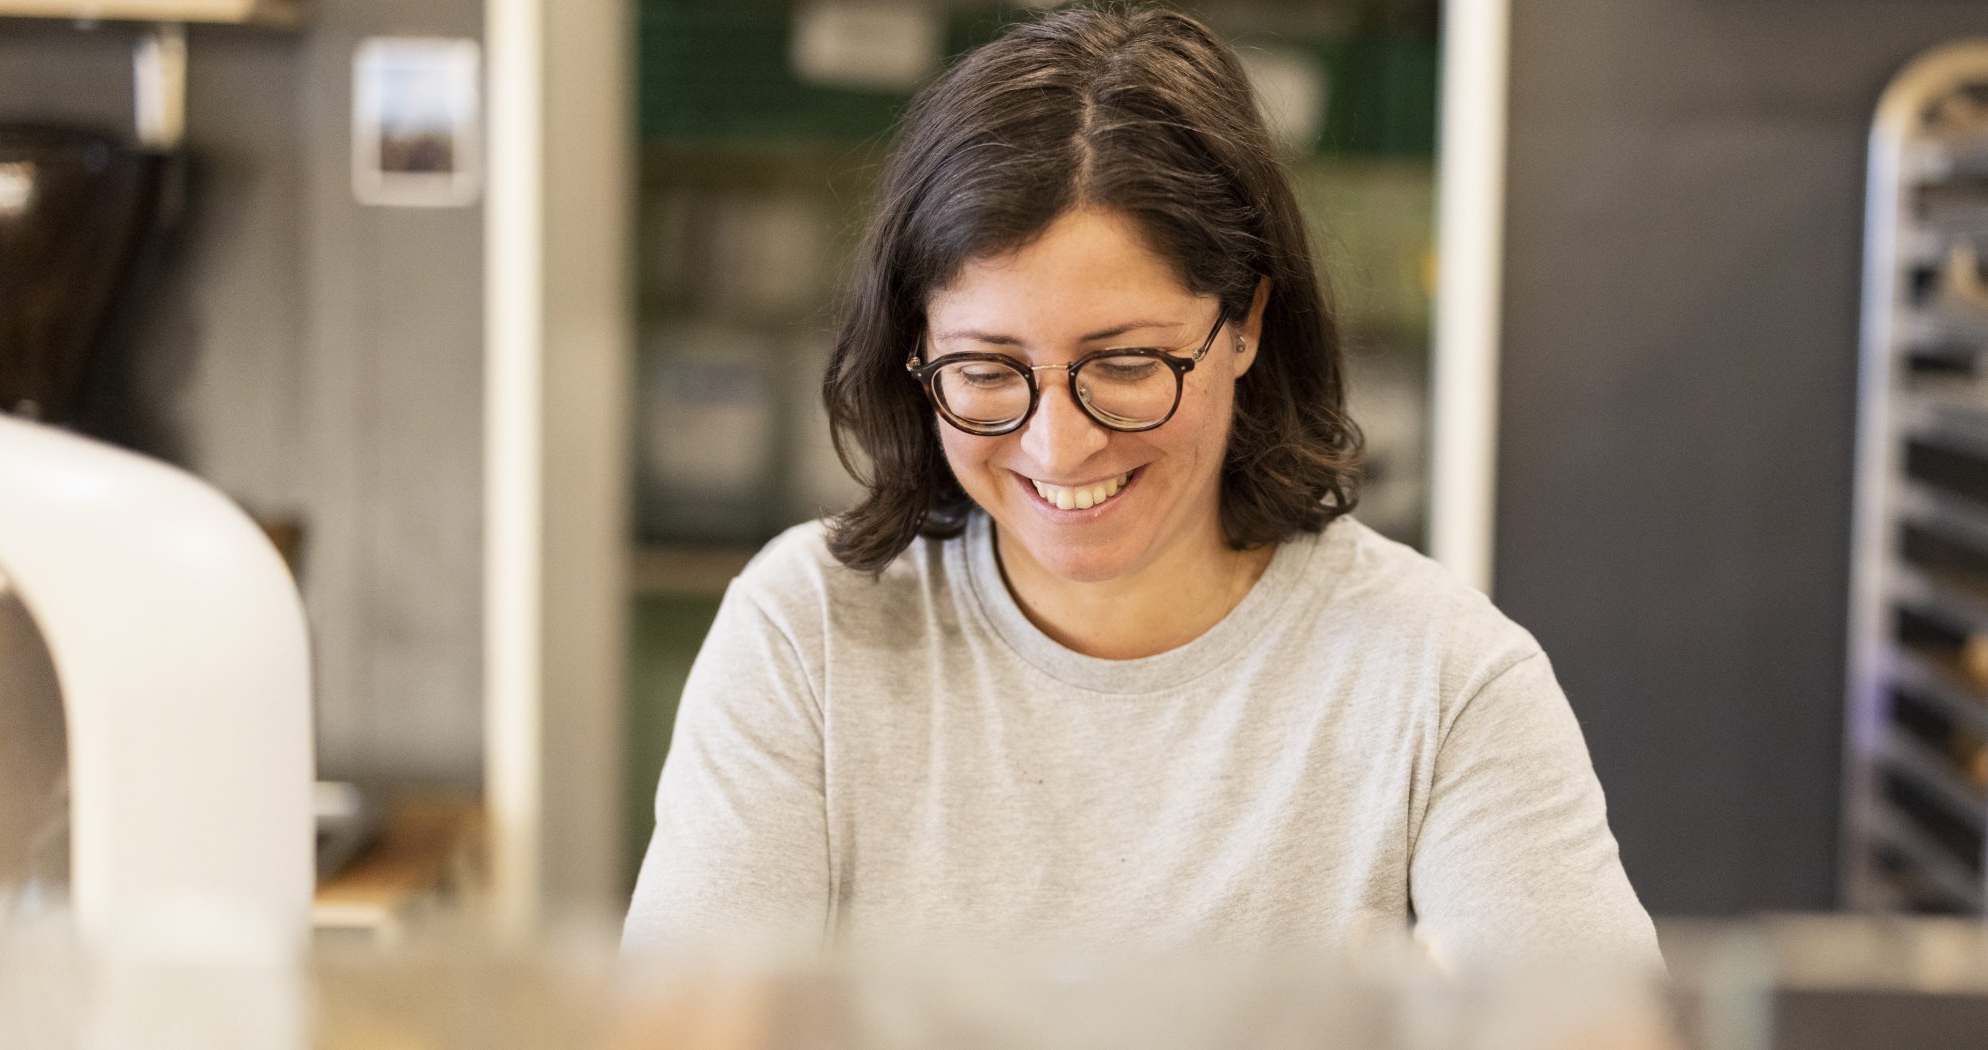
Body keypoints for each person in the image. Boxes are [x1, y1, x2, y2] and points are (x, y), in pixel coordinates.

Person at [624, 5, 1657, 974]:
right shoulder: (807, 632)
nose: (1058, 444)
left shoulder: (1439, 678)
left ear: (1245, 323)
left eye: (1124, 365)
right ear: (915, 350)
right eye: (986, 371)